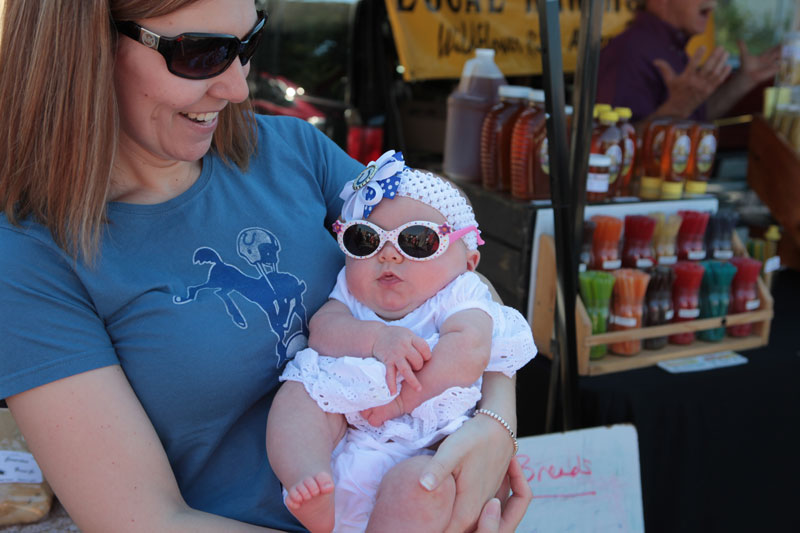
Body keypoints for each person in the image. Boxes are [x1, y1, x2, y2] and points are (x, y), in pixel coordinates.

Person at [0, 1, 530, 532]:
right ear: (87, 48)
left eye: (247, 45)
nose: (237, 88)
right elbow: (142, 520)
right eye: (202, 53)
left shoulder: (293, 151)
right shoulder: (31, 255)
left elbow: (452, 270)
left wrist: (494, 424)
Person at [266, 153, 537, 532]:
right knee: (299, 394)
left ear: (469, 260)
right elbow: (323, 328)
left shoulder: (461, 295)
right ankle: (307, 479)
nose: (389, 253)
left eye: (418, 241)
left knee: (426, 485)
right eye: (366, 240)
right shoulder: (351, 290)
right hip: (346, 427)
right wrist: (376, 337)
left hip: (425, 444)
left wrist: (400, 402)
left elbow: (468, 352)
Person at [597, 0, 781, 123]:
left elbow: (696, 115)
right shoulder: (630, 53)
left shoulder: (671, 48)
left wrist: (744, 80)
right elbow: (613, 147)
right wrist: (675, 109)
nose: (713, 4)